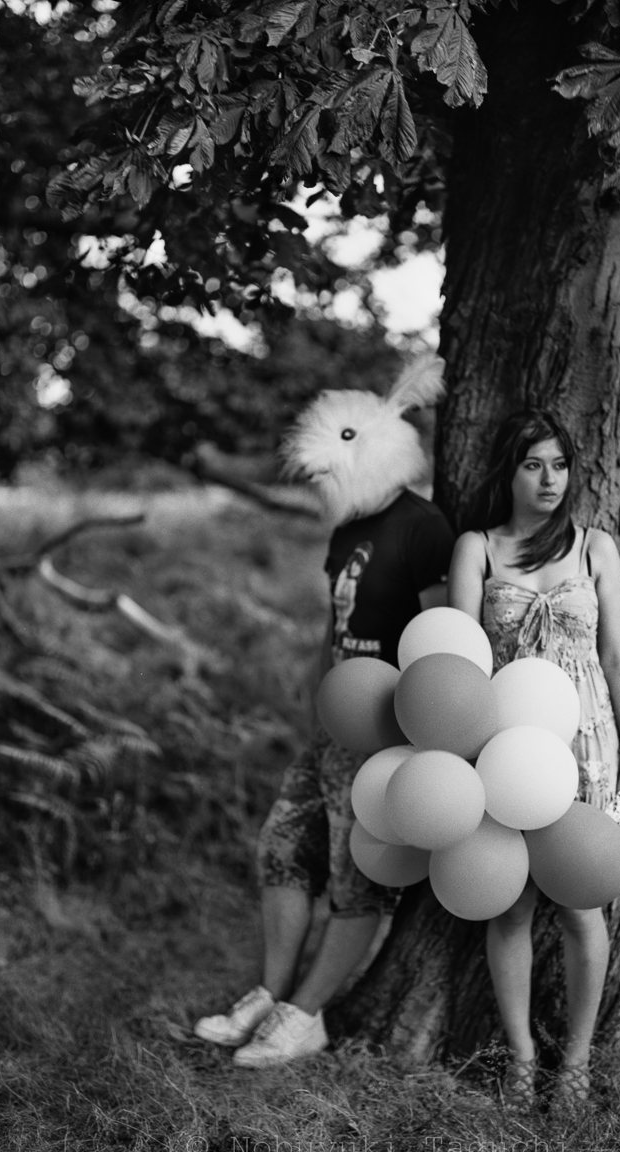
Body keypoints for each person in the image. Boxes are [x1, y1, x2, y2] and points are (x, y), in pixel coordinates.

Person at [194, 355, 455, 1068]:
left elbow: (440, 638)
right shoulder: (348, 530)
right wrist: (317, 694)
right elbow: (332, 624)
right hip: (331, 727)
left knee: (355, 875)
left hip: (383, 731)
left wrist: (411, 733)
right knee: (280, 850)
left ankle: (305, 1017)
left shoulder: (423, 526)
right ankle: (269, 996)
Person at [447, 408, 620, 1108]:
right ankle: (524, 1058)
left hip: (591, 747)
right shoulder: (478, 548)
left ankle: (578, 1065)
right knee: (507, 905)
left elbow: (616, 655)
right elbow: (460, 659)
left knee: (583, 902)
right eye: (533, 463)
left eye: (559, 464)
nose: (549, 478)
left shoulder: (596, 547)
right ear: (508, 469)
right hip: (505, 747)